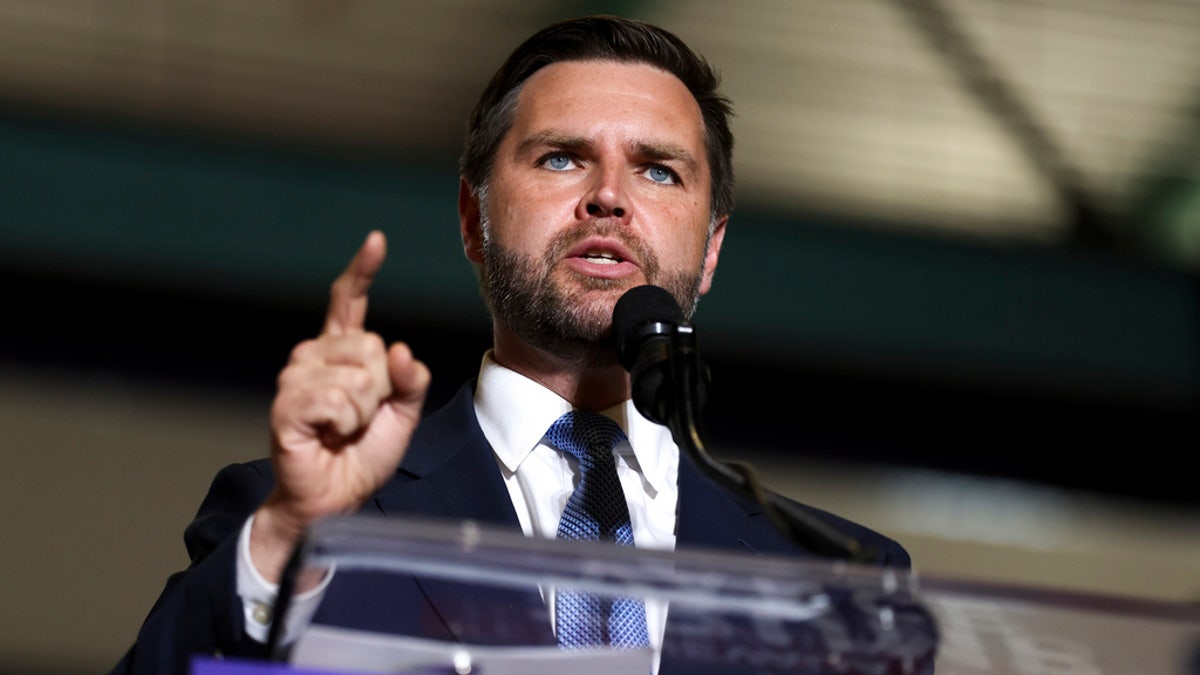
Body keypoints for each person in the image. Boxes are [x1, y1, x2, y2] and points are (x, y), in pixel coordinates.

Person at [110, 14, 912, 675]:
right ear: (473, 219)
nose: (608, 197)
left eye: (659, 171)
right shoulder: (303, 517)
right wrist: (293, 535)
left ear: (710, 249)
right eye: (561, 157)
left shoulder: (840, 583)